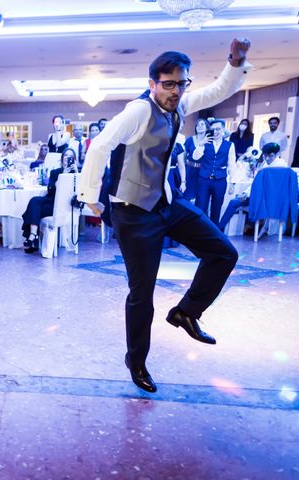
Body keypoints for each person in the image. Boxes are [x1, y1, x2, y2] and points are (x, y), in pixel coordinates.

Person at [77, 38, 251, 393]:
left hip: (166, 203)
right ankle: (136, 361)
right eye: (168, 84)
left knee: (223, 252)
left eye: (181, 83)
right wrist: (89, 198)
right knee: (142, 293)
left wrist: (236, 60)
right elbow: (102, 144)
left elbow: (218, 90)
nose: (175, 91)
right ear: (152, 84)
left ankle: (187, 312)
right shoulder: (138, 111)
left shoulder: (181, 105)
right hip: (132, 211)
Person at [217, 142, 286, 231]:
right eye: (265, 156)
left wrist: (251, 194)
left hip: (269, 200)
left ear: (278, 154)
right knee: (234, 202)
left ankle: (220, 229)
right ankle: (219, 229)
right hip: (258, 196)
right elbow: (256, 182)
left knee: (235, 202)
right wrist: (246, 193)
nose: (267, 158)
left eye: (271, 156)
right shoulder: (265, 163)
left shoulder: (281, 166)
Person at [22, 148, 77, 254]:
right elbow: (50, 189)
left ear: (74, 159)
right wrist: (62, 175)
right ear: (62, 158)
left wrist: (76, 172)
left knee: (33, 211)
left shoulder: (77, 174)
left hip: (65, 206)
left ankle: (31, 238)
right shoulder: (55, 172)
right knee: (34, 201)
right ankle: (33, 235)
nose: (67, 158)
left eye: (70, 156)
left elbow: (79, 192)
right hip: (51, 202)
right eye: (65, 156)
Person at [194, 119, 236, 225]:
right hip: (204, 180)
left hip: (220, 181)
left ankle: (213, 235)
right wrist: (200, 144)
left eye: (218, 129)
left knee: (216, 209)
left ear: (223, 130)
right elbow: (195, 157)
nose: (216, 132)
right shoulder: (205, 143)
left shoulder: (230, 145)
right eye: (213, 129)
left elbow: (232, 165)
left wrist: (232, 183)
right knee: (201, 207)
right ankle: (200, 232)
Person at [182, 118, 210, 201]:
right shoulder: (190, 140)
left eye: (202, 124)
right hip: (190, 170)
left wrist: (212, 122)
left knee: (201, 196)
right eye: (197, 125)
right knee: (187, 195)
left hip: (203, 171)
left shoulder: (210, 140)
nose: (199, 126)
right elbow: (184, 155)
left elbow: (226, 133)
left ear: (207, 127)